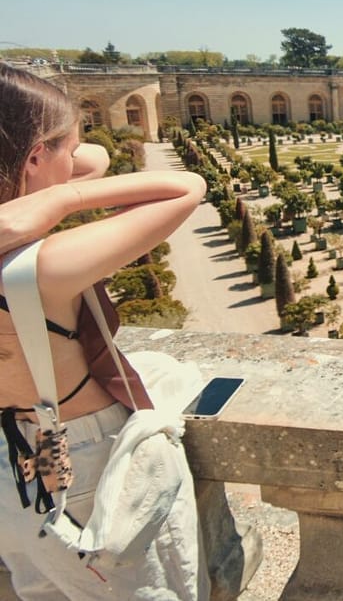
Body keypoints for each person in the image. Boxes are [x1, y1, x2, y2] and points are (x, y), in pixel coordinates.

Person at [0, 63, 209, 599]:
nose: (81, 158)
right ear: (34, 158)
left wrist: (44, 171)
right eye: (66, 148)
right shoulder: (45, 263)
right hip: (86, 458)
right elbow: (186, 187)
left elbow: (93, 157)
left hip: (9, 463)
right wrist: (61, 199)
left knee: (42, 589)